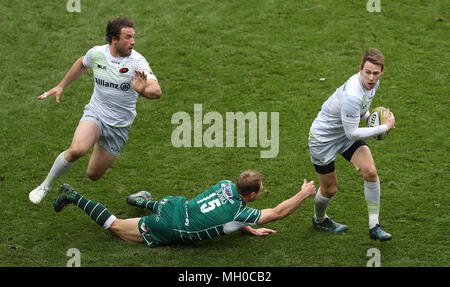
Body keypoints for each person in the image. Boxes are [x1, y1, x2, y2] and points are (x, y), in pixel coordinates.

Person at [29, 17, 162, 204]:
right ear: (113, 39)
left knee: (93, 175)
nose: (133, 42)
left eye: (133, 37)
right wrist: (61, 85)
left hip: (119, 126)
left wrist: (142, 90)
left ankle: (100, 149)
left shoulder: (137, 62)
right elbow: (82, 63)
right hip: (96, 114)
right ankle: (46, 185)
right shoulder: (98, 53)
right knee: (77, 150)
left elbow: (157, 91)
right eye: (128, 37)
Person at [52, 170, 316, 247]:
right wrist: (303, 194)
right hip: (169, 227)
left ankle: (141, 200)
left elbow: (224, 214)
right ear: (254, 194)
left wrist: (248, 229)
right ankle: (72, 195)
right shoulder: (240, 212)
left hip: (175, 203)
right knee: (116, 226)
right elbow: (279, 212)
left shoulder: (225, 184)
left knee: (165, 206)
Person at [308, 48, 395, 241]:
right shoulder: (352, 95)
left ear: (382, 72)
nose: (371, 78)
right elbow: (352, 133)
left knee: (370, 172)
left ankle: (374, 226)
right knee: (330, 189)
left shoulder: (373, 84)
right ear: (360, 69)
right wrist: (383, 127)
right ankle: (319, 220)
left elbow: (361, 112)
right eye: (368, 72)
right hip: (323, 140)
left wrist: (371, 118)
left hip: (344, 133)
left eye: (376, 73)